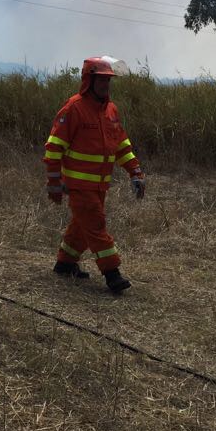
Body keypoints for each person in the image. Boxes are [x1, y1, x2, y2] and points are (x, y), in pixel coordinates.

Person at [43, 56, 145, 293]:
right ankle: (112, 274)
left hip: (100, 186)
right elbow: (54, 148)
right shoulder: (73, 108)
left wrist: (135, 172)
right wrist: (54, 183)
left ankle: (64, 263)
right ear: (88, 80)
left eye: (108, 81)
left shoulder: (111, 110)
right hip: (78, 186)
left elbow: (121, 145)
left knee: (81, 226)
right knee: (96, 226)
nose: (105, 85)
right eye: (100, 80)